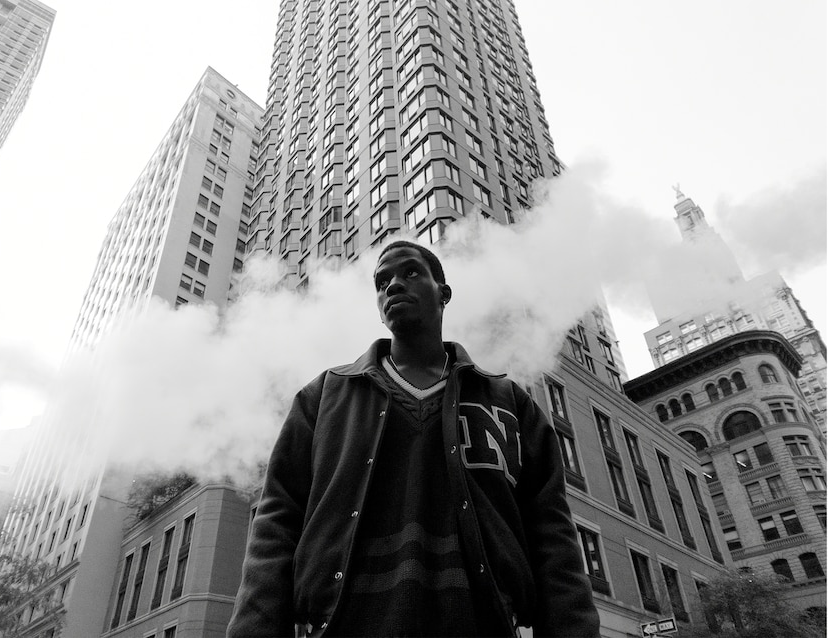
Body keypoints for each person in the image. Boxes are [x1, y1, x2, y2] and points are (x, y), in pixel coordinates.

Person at [227, 241, 600, 638]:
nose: (392, 286)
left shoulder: (509, 401)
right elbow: (276, 524)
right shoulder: (323, 397)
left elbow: (552, 535)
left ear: (444, 292)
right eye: (382, 281)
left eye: (410, 273)